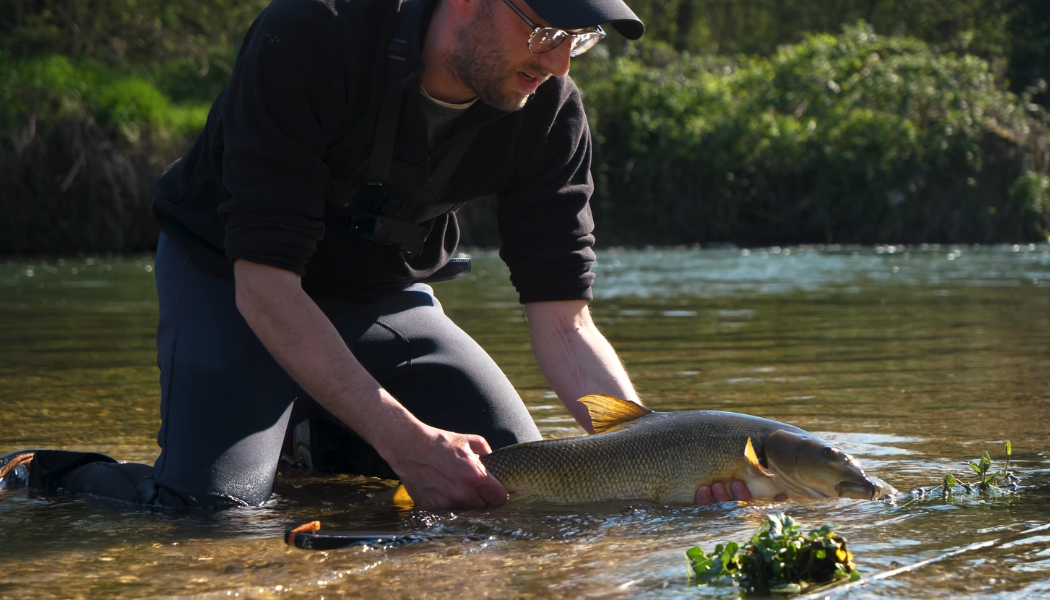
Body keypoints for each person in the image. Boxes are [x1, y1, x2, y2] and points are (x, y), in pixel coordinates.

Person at [0, 0, 766, 508]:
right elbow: (266, 289)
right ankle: (47, 476)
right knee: (216, 512)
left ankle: (319, 433)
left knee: (510, 487)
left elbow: (564, 325)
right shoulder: (311, 35)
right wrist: (404, 438)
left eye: (582, 39)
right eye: (547, 30)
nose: (560, 62)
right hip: (236, 283)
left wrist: (658, 459)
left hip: (385, 296)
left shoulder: (548, 113)